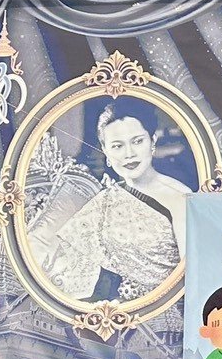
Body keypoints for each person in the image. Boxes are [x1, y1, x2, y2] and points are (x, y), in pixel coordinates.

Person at [45, 98, 187, 303]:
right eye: (117, 146)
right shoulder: (106, 199)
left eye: (137, 141)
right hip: (109, 308)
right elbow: (75, 266)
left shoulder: (179, 197)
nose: (129, 154)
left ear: (152, 141)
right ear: (106, 151)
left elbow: (188, 277)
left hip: (167, 308)